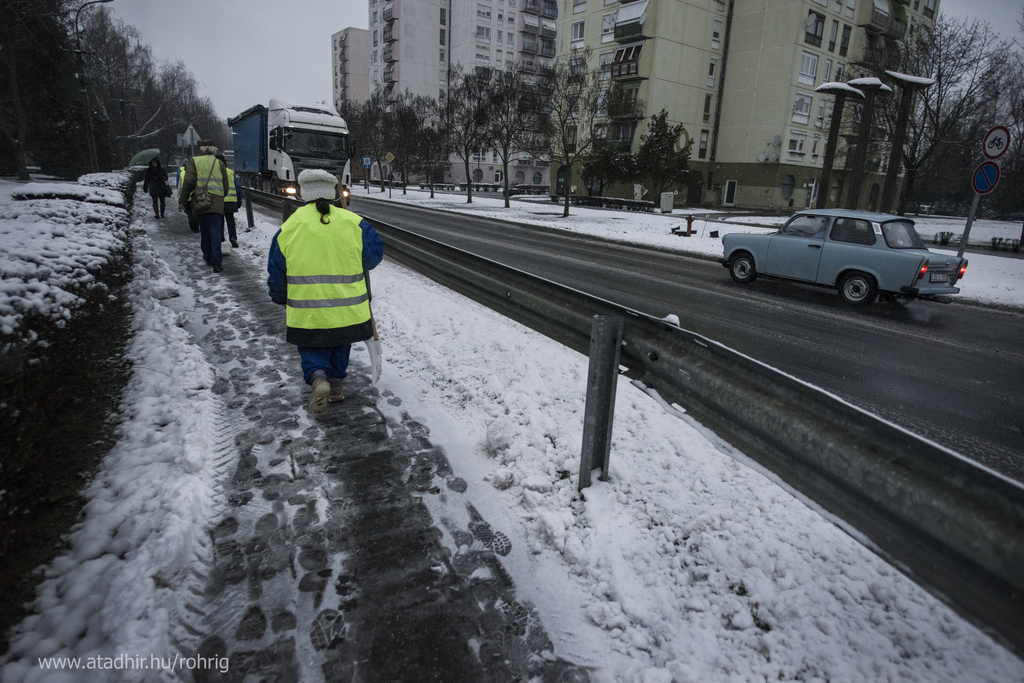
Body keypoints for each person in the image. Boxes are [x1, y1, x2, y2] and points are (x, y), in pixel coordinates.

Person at [266, 169, 383, 413]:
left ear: (303, 193)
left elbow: (277, 268)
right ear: (332, 192)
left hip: (307, 310)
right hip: (348, 308)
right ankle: (337, 388)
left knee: (312, 345)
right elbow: (373, 258)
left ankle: (318, 377)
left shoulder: (289, 228)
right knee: (341, 342)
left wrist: (278, 296)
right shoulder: (354, 223)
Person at [178, 140, 230, 272]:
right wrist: (219, 197)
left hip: (201, 202)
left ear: (202, 149)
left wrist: (183, 200)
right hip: (217, 204)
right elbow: (226, 186)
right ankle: (217, 263)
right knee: (216, 233)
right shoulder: (219, 163)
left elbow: (188, 183)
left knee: (205, 232)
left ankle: (207, 257)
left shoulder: (194, 161)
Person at [217, 153, 244, 247]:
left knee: (219, 221)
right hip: (231, 201)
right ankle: (233, 237)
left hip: (219, 201)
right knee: (230, 221)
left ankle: (220, 238)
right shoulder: (230, 172)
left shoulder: (214, 173)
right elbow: (238, 188)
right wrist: (239, 200)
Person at [178, 162, 199, 233]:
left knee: (189, 213)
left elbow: (180, 188)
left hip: (186, 198)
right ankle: (196, 227)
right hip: (195, 197)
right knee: (195, 213)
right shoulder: (196, 174)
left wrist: (180, 198)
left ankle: (192, 226)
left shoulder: (182, 174)